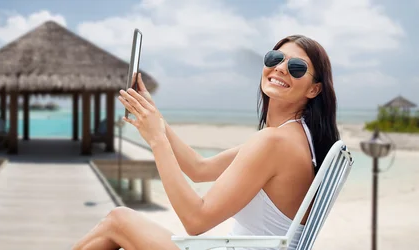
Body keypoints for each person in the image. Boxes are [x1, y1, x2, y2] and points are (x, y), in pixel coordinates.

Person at [71, 34, 339, 250]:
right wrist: (156, 118)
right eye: (275, 58)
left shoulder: (275, 141)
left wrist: (156, 139)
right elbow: (199, 169)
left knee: (119, 220)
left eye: (296, 67)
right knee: (117, 221)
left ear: (314, 89)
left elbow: (195, 220)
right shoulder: (295, 137)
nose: (281, 68)